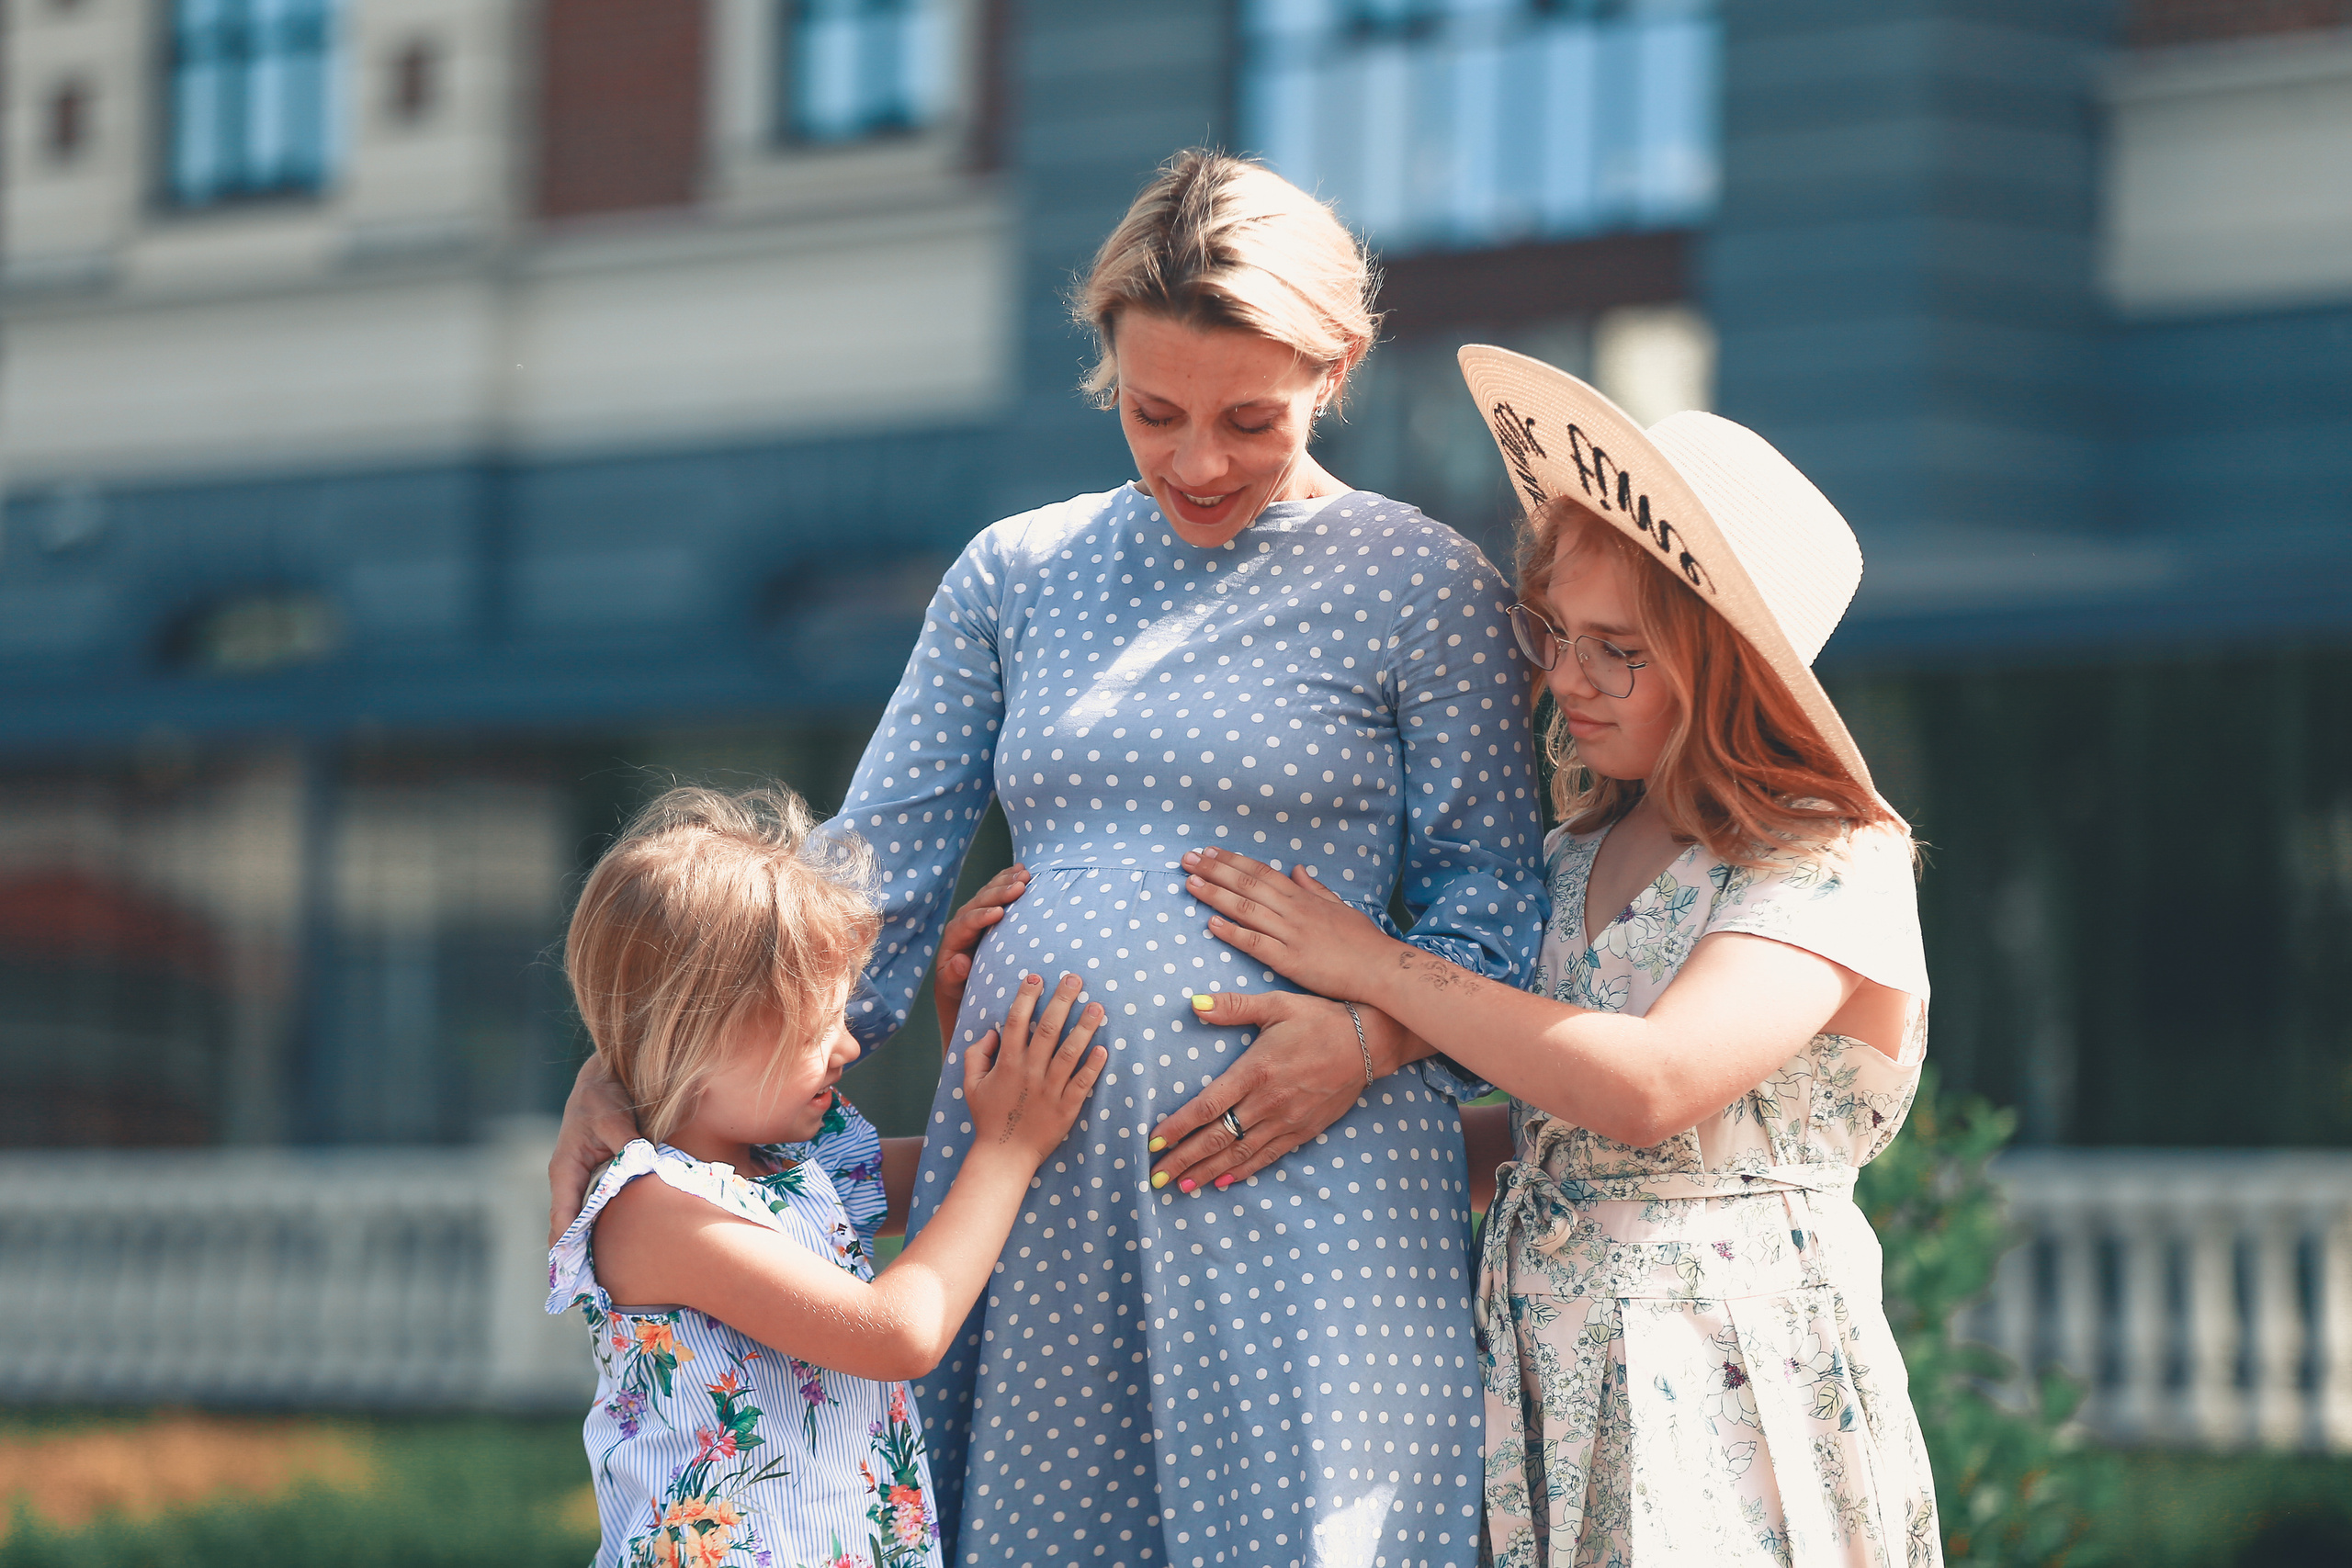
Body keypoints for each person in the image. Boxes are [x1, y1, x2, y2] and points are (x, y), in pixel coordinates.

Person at [550, 150, 1549, 1568]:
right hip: (1038, 1204)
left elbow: (1500, 920)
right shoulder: (1016, 572)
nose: (1198, 461)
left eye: (1248, 420)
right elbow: (859, 880)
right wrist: (638, 1062)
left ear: (1339, 368)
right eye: (1155, 413)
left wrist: (1370, 1037)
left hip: (1312, 1190)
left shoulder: (1427, 585)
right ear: (1107, 377)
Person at [1182, 347, 1942, 1565]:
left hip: (1729, 1380)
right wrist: (1352, 1112)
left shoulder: (1828, 859)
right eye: (1555, 632)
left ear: (1725, 663)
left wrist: (1378, 967)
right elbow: (1558, 1132)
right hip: (1557, 1374)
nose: (1565, 678)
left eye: (1618, 649)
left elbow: (1645, 1087)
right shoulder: (1581, 845)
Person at [547, 784, 1106, 1568]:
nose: (847, 1046)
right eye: (818, 1028)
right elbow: (897, 1332)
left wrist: (967, 1030)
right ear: (700, 1035)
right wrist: (1007, 1148)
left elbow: (949, 1191)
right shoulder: (652, 1209)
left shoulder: (793, 1165)